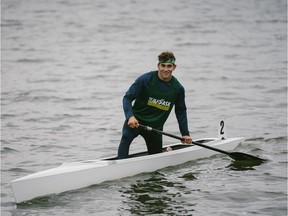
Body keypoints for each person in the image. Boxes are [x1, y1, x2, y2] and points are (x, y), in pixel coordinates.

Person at [117, 51, 192, 159]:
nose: (165, 69)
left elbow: (180, 112)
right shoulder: (146, 79)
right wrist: (130, 117)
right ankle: (119, 165)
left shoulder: (178, 89)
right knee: (126, 137)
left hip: (155, 128)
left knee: (156, 158)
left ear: (174, 67)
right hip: (136, 122)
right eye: (163, 65)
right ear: (158, 66)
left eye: (169, 66)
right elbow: (127, 98)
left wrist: (185, 133)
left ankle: (164, 153)